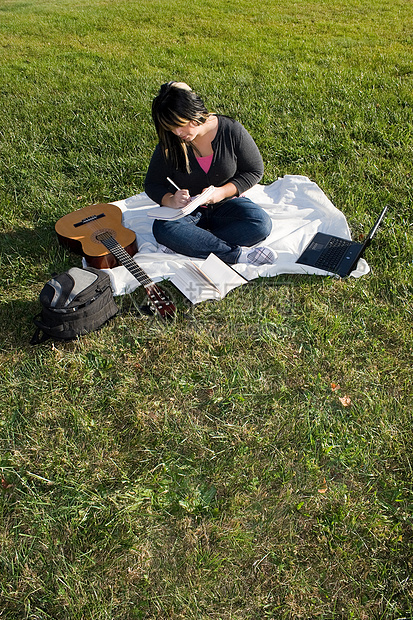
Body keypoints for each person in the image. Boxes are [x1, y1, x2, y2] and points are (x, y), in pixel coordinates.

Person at [144, 81, 275, 265]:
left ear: (192, 113)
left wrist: (221, 192)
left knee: (260, 225)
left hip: (226, 206)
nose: (177, 132)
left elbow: (254, 170)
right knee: (163, 228)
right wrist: (170, 200)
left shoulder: (230, 130)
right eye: (171, 128)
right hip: (187, 212)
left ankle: (190, 243)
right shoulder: (170, 142)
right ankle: (237, 255)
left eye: (180, 125)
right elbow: (152, 183)